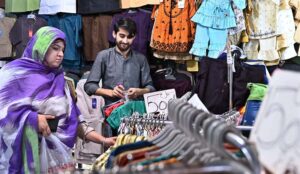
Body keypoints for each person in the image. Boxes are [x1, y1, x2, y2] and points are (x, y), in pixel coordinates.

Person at [0, 26, 116, 173]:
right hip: (24, 161)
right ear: (41, 47)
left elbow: (75, 120)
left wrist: (103, 140)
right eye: (55, 48)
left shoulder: (61, 80)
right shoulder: (14, 74)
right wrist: (31, 119)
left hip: (57, 163)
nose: (60, 54)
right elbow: (2, 112)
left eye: (62, 50)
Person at [84, 18, 155, 105]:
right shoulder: (103, 56)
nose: (125, 41)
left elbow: (151, 87)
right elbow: (89, 86)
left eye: (129, 37)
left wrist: (140, 91)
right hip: (110, 111)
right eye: (122, 36)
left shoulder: (141, 59)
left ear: (134, 37)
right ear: (114, 34)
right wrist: (111, 92)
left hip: (135, 111)